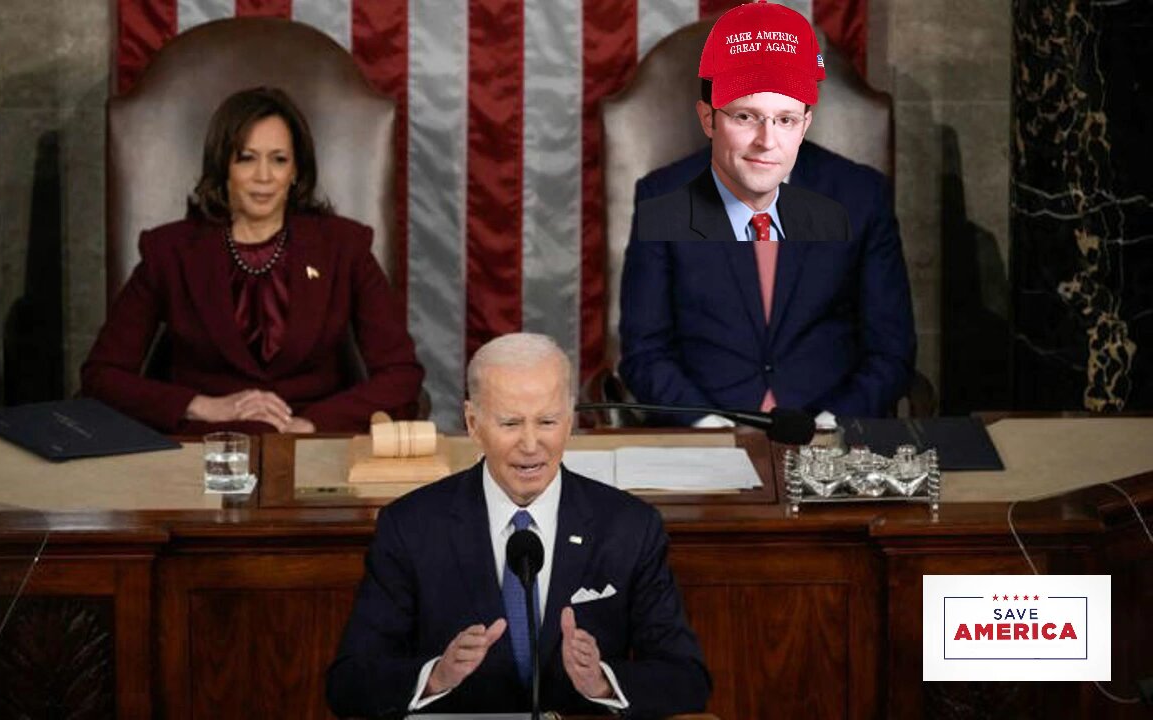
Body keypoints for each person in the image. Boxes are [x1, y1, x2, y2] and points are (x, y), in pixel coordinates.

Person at [326, 333, 710, 718]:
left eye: (547, 421)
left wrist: (603, 681)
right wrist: (435, 676)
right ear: (473, 423)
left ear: (570, 420)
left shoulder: (628, 527)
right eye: (510, 423)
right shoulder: (411, 527)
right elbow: (349, 683)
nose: (531, 444)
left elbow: (687, 678)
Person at [619, 0, 916, 423]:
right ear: (709, 118)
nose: (766, 141)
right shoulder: (661, 197)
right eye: (746, 117)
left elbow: (891, 352)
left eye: (785, 120)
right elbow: (645, 353)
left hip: (829, 434)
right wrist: (706, 424)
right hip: (706, 437)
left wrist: (833, 420)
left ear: (806, 121)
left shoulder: (860, 196)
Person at [81, 87, 424, 434]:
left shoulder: (344, 247)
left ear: (296, 172)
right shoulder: (169, 251)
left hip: (313, 445)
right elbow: (101, 375)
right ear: (223, 166)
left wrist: (310, 425)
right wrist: (200, 406)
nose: (264, 176)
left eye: (279, 159)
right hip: (204, 446)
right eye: (246, 157)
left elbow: (402, 374)